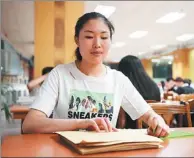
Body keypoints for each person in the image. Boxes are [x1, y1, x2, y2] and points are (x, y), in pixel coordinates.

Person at [22, 12, 169, 137]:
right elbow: (30, 124)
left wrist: (156, 120)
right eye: (89, 36)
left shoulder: (118, 79)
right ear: (77, 40)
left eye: (104, 37)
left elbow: (148, 114)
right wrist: (82, 123)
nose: (97, 44)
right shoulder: (60, 74)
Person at [117, 55, 161, 129]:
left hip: (130, 131)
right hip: (153, 129)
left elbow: (121, 121)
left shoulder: (123, 87)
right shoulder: (154, 86)